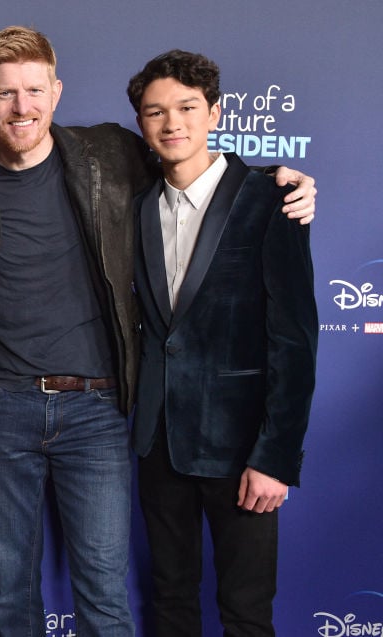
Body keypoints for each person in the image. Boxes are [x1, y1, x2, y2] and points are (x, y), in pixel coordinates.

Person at [0, 26, 318, 637]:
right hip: (1, 410)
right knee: (12, 595)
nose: (22, 107)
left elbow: (201, 168)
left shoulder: (108, 155)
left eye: (34, 90)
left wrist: (281, 181)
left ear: (57, 92)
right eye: (5, 94)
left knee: (106, 597)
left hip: (100, 411)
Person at [127, 50, 317, 636]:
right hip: (159, 443)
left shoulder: (270, 199)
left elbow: (295, 340)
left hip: (243, 450)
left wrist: (275, 458)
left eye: (186, 108)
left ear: (214, 112)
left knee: (246, 610)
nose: (171, 123)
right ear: (142, 124)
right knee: (171, 600)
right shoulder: (135, 208)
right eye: (155, 112)